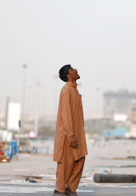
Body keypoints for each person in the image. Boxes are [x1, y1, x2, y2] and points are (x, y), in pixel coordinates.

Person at [53, 65, 88, 196]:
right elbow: (66, 114)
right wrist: (71, 135)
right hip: (68, 135)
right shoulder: (66, 90)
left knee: (80, 160)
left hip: (78, 134)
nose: (76, 70)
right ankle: (60, 190)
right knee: (65, 164)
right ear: (69, 75)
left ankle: (70, 189)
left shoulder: (74, 90)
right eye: (72, 70)